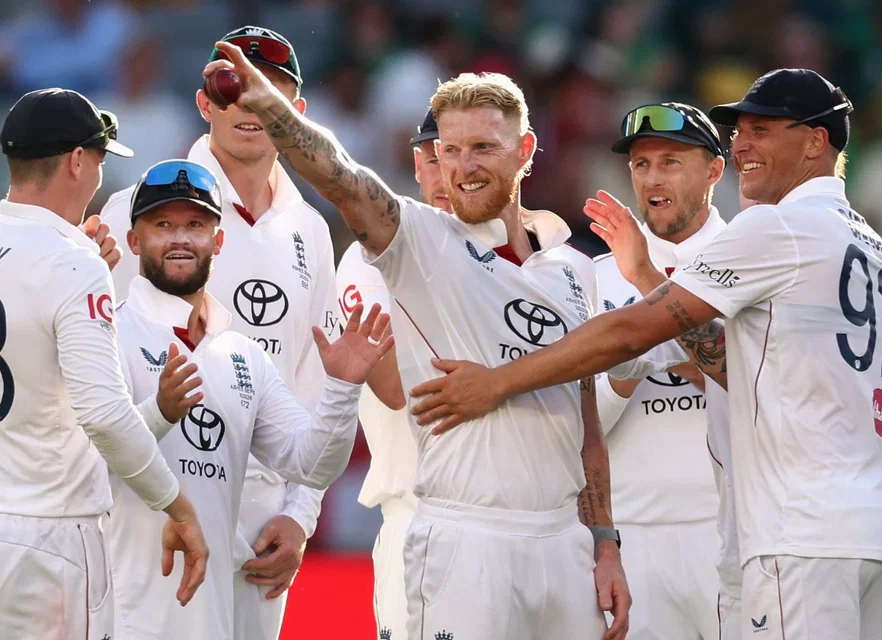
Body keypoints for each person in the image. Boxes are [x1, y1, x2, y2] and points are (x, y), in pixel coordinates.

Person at [408, 68, 882, 640]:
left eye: (761, 129)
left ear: (815, 141)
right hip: (881, 529)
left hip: (799, 529)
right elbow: (760, 371)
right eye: (739, 130)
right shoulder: (868, 244)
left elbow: (631, 332)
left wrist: (498, 382)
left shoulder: (776, 228)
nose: (743, 142)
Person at [205, 42, 688, 639]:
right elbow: (345, 180)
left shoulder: (571, 269)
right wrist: (279, 115)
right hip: (464, 537)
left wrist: (605, 542)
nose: (463, 167)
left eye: (484, 147)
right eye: (449, 151)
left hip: (564, 542)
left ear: (526, 152)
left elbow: (586, 423)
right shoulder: (423, 244)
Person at [100, 26, 341, 639]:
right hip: (150, 496)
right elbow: (94, 370)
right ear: (205, 103)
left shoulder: (310, 229)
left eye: (271, 91)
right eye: (233, 88)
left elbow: (317, 379)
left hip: (263, 511)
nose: (252, 105)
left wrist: (300, 516)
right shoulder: (137, 210)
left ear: (297, 114)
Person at [106, 159, 391, 639]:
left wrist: (343, 388)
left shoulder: (243, 355)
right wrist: (159, 413)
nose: (180, 238)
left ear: (218, 241)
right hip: (126, 612)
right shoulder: (108, 334)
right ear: (135, 240)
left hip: (218, 615)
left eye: (195, 224)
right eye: (163, 225)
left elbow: (310, 463)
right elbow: (87, 458)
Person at [0, 88, 208, 638]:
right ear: (76, 161)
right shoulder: (73, 265)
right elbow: (105, 416)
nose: (99, 174)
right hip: (47, 541)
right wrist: (178, 506)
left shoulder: (72, 259)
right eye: (98, 158)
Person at [591, 102, 727, 640]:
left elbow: (762, 389)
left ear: (715, 170)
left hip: (735, 531)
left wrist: (660, 321)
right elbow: (579, 426)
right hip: (635, 542)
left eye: (671, 161)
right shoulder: (596, 277)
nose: (652, 179)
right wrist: (622, 374)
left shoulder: (754, 261)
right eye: (641, 165)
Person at [334, 108, 448, 640]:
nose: (450, 171)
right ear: (417, 167)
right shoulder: (368, 258)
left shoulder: (540, 260)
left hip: (528, 520)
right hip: (419, 512)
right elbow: (397, 388)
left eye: (469, 152)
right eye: (435, 156)